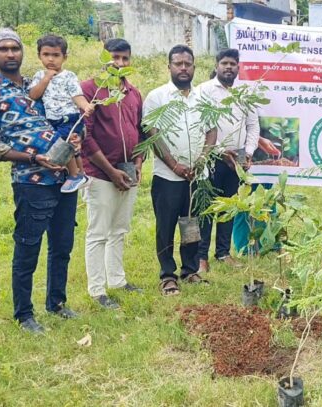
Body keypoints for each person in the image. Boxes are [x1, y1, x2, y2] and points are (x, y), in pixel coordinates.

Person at [0, 28, 80, 333]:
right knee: (28, 247)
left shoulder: (42, 84)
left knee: (62, 244)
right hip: (31, 181)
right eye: (3, 49)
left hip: (64, 178)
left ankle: (57, 302)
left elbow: (65, 115)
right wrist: (33, 158)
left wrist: (75, 139)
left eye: (15, 48)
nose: (10, 54)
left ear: (23, 52)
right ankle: (24, 314)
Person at [143, 44, 217, 296]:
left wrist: (202, 159)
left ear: (194, 67)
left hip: (197, 176)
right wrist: (174, 164)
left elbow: (211, 130)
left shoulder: (203, 98)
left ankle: (190, 270)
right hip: (167, 177)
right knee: (165, 227)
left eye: (188, 64)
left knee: (191, 224)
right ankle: (167, 275)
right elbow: (152, 134)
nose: (183, 68)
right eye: (178, 63)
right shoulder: (157, 97)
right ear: (169, 66)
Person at [80, 38, 145, 309]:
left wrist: (138, 163)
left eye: (124, 58)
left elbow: (140, 131)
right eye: (114, 57)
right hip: (99, 173)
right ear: (104, 57)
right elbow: (85, 136)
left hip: (128, 172)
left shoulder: (133, 93)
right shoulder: (90, 90)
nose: (119, 63)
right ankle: (97, 290)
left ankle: (117, 280)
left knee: (119, 229)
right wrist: (111, 171)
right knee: (98, 232)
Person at [195, 48, 259, 273]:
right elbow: (199, 126)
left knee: (230, 206)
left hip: (238, 159)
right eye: (224, 63)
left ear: (238, 67)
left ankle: (223, 252)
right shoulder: (204, 91)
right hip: (212, 157)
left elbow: (253, 126)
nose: (229, 67)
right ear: (216, 65)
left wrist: (248, 152)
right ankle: (201, 257)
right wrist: (221, 151)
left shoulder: (245, 93)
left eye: (233, 63)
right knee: (207, 208)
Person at [28, 34, 93, 193]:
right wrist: (46, 79)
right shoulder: (39, 76)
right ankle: (81, 174)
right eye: (46, 54)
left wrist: (86, 106)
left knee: (62, 143)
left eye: (56, 55)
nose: (51, 59)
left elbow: (77, 96)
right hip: (52, 120)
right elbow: (34, 95)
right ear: (39, 56)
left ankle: (74, 174)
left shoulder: (69, 76)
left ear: (64, 57)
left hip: (69, 118)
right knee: (70, 145)